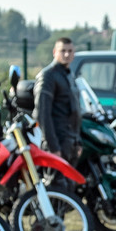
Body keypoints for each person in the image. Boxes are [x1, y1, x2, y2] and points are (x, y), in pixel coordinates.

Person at [34, 37, 81, 166]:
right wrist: (53, 147)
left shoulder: (69, 75)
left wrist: (78, 141)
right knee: (56, 184)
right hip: (57, 141)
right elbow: (42, 114)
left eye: (70, 51)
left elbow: (75, 111)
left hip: (70, 141)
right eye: (63, 51)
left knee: (69, 184)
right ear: (55, 52)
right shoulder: (48, 76)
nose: (67, 54)